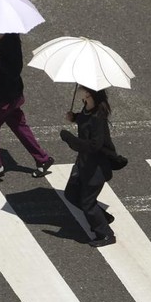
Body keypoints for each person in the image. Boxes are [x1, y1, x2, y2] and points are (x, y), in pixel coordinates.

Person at [0, 33, 54, 180]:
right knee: (18, 125)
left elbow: (14, 71)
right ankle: (43, 159)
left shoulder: (11, 41)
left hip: (6, 94)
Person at [60, 86, 117, 247]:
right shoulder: (87, 108)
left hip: (96, 167)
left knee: (87, 203)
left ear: (89, 93)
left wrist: (70, 139)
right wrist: (75, 118)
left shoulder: (98, 116)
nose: (79, 90)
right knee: (71, 194)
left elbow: (94, 145)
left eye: (83, 88)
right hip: (84, 163)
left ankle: (106, 235)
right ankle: (103, 218)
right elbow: (85, 121)